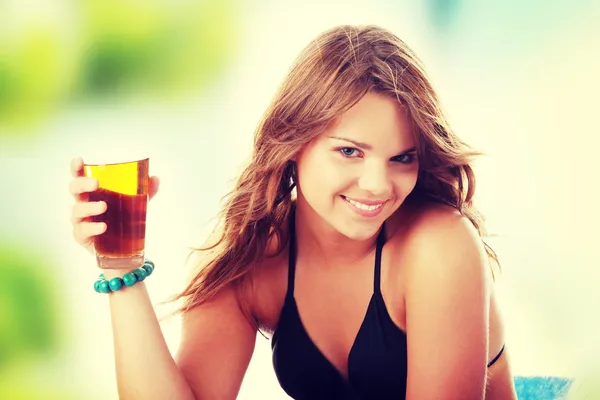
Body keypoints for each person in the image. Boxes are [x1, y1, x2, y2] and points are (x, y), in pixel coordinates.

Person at [69, 25, 518, 400]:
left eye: (402, 157)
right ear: (293, 143)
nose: (379, 185)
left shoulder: (440, 246)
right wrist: (120, 264)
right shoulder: (251, 262)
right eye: (349, 151)